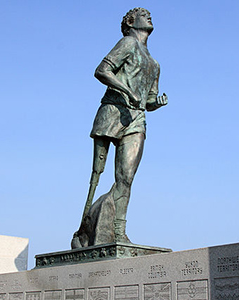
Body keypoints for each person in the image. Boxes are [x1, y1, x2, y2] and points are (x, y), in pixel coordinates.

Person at [72, 7, 167, 248]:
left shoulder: (154, 65)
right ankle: (83, 231)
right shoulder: (127, 43)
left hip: (136, 119)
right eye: (142, 14)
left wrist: (156, 102)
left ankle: (118, 231)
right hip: (113, 112)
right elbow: (102, 71)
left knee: (126, 178)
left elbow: (148, 100)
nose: (148, 16)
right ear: (130, 22)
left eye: (148, 14)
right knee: (96, 175)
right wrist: (126, 90)